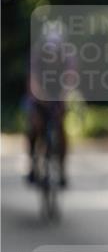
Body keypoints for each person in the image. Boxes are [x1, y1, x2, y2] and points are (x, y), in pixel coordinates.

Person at [24, 21, 75, 186]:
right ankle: (32, 165)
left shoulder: (67, 55)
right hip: (38, 95)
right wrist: (39, 95)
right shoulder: (37, 54)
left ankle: (61, 170)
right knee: (34, 126)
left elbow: (70, 77)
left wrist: (64, 94)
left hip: (58, 94)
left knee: (61, 128)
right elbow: (32, 79)